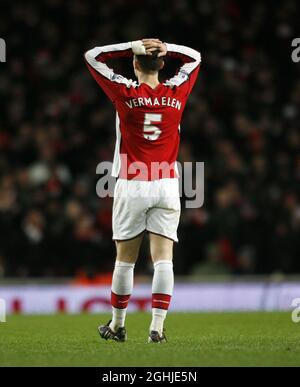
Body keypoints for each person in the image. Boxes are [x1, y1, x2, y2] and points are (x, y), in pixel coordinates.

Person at [84, 38, 201, 343]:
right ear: (162, 65)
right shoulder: (176, 91)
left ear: (135, 63)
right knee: (164, 259)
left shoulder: (125, 92)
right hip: (166, 182)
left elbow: (93, 56)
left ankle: (118, 325)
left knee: (125, 260)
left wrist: (133, 45)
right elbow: (195, 57)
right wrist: (169, 48)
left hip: (133, 181)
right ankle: (157, 329)